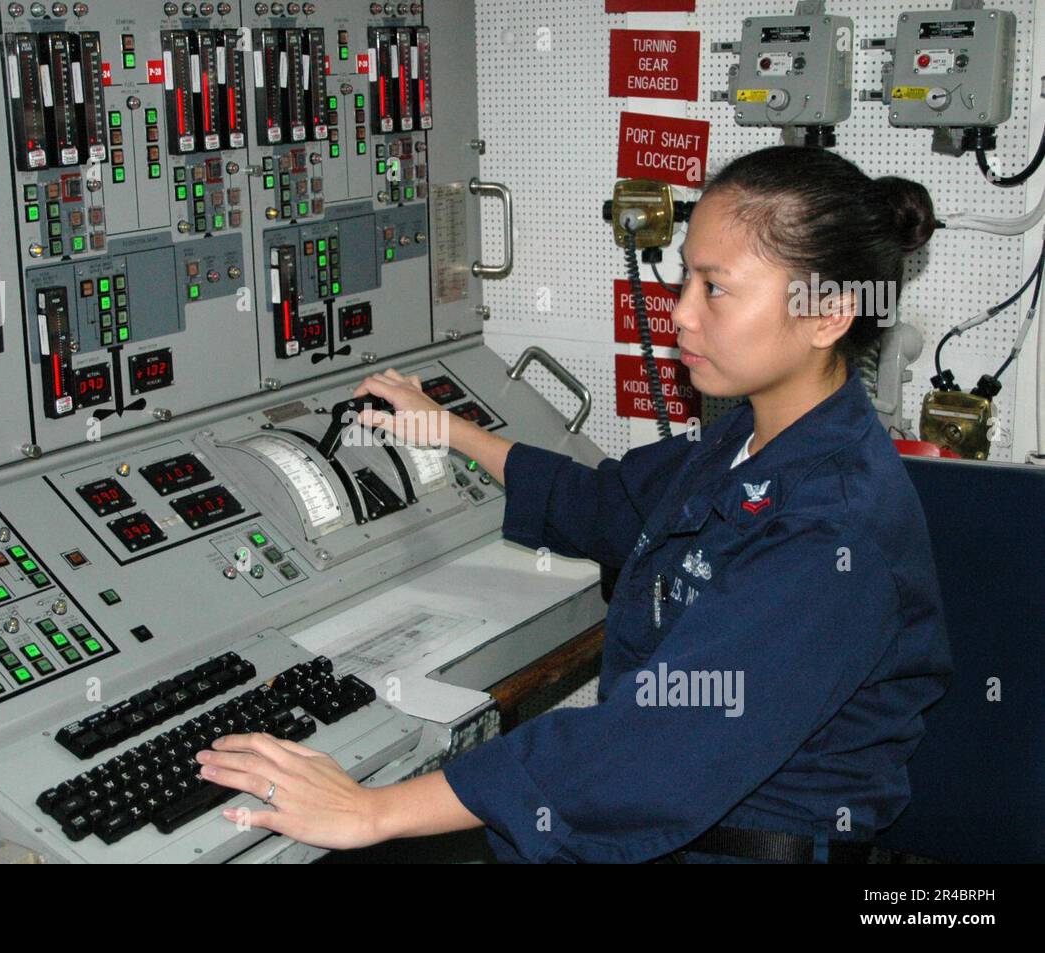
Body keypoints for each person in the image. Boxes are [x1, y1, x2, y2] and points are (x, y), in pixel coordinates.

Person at [194, 145, 954, 863]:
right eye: (684, 279)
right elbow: (610, 504)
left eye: (715, 288)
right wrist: (449, 428)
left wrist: (374, 810)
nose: (681, 314)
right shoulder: (754, 443)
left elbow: (654, 748)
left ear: (827, 314)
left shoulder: (830, 530)